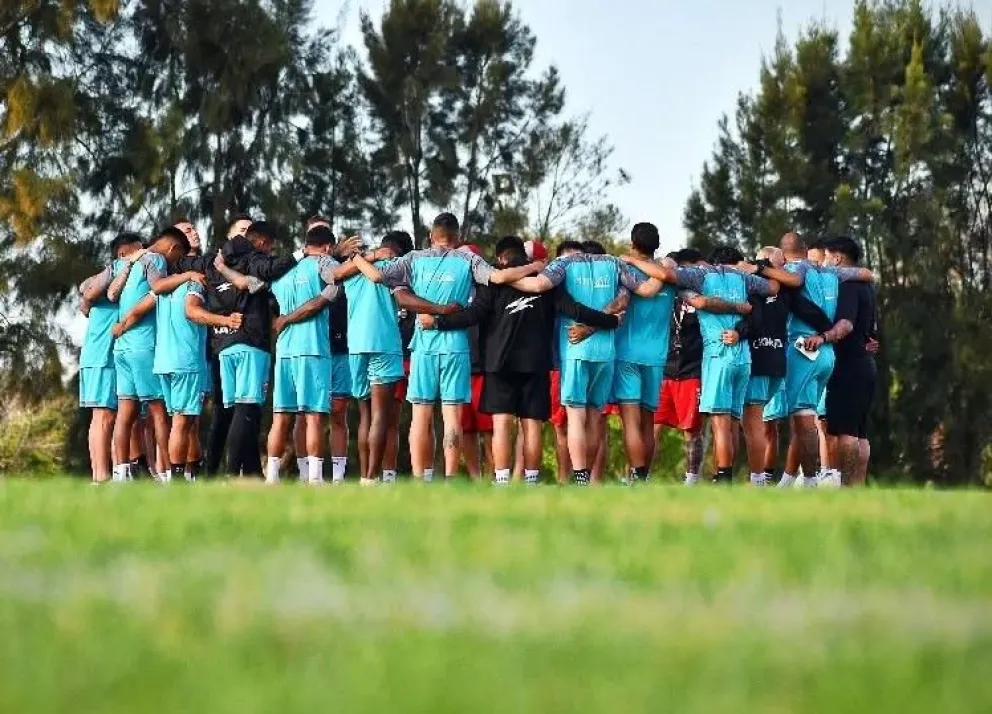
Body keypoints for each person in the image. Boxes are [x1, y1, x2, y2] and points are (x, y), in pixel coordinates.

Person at [349, 213, 541, 481]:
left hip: (423, 345)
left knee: (421, 414)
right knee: (452, 417)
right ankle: (450, 478)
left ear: (431, 235)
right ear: (458, 237)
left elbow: (375, 276)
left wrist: (355, 258)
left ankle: (421, 478)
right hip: (456, 346)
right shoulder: (468, 259)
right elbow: (498, 278)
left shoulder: (414, 258)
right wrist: (532, 268)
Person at [421, 235, 620, 485]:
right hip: (536, 364)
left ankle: (502, 480)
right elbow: (575, 309)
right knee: (532, 425)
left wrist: (438, 322)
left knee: (502, 423)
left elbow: (472, 315)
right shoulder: (545, 282)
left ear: (502, 257)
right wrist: (609, 321)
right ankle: (531, 479)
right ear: (524, 257)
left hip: (499, 362)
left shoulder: (492, 281)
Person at [274, 230, 455, 484]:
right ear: (401, 251)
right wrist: (441, 309)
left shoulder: (353, 270)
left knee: (365, 415)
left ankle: (363, 478)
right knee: (382, 415)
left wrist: (358, 257)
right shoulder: (394, 266)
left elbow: (333, 276)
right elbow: (403, 297)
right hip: (384, 344)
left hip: (355, 347)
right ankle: (373, 477)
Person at [511, 238, 668, 486]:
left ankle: (581, 476)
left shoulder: (566, 263)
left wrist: (501, 278)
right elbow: (645, 291)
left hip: (574, 349)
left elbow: (539, 284)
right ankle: (586, 479)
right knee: (595, 416)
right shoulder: (615, 265)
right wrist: (665, 271)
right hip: (605, 352)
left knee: (575, 416)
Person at [628, 246, 775, 484]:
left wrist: (629, 260)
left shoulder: (699, 276)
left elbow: (668, 277)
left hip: (718, 355)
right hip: (743, 357)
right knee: (734, 422)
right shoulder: (743, 278)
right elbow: (772, 288)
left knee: (720, 423)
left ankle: (724, 476)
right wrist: (758, 269)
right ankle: (730, 475)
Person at [768, 232, 874, 487]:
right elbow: (865, 275)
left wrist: (763, 268)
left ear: (783, 254)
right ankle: (814, 479)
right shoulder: (829, 275)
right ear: (805, 250)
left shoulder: (790, 272)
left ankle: (812, 480)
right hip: (829, 355)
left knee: (805, 421)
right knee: (816, 419)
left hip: (805, 347)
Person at [207, 220, 301, 477]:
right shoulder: (254, 259)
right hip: (250, 342)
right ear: (261, 243)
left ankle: (250, 474)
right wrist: (301, 253)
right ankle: (230, 473)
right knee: (246, 409)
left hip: (224, 345)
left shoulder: (215, 265)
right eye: (269, 247)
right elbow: (261, 276)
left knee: (239, 410)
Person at [107, 227, 200, 481]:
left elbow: (113, 294)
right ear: (173, 249)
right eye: (177, 258)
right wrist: (188, 275)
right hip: (143, 345)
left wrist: (123, 324)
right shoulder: (156, 259)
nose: (174, 265)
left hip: (123, 345)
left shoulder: (132, 262)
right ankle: (167, 472)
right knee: (159, 410)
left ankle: (120, 472)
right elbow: (159, 287)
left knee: (126, 411)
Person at [736, 246, 833, 486]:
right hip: (781, 364)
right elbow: (812, 312)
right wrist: (826, 330)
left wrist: (739, 332)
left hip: (762, 360)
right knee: (790, 419)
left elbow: (751, 318)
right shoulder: (790, 292)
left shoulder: (750, 286)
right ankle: (789, 479)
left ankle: (758, 480)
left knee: (754, 422)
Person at [265, 226, 341, 484]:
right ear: (328, 247)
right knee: (313, 416)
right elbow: (323, 299)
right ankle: (316, 479)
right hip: (312, 349)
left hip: (285, 351)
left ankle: (272, 477)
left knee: (281, 417)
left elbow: (260, 288)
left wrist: (283, 318)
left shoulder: (283, 270)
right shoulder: (324, 261)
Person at [77, 233, 145, 482]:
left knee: (119, 415)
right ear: (123, 254)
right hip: (100, 355)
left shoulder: (133, 277)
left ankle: (118, 473)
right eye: (139, 251)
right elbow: (87, 290)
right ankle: (100, 477)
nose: (143, 255)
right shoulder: (114, 272)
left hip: (114, 354)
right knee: (103, 415)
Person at [813, 236, 877, 487]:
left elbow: (846, 324)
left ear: (837, 257)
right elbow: (871, 328)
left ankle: (847, 489)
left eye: (827, 256)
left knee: (845, 434)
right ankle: (857, 489)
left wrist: (824, 336)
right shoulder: (867, 287)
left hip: (848, 365)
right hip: (865, 365)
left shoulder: (849, 285)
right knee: (860, 434)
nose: (824, 262)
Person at [456, 244, 494, 481]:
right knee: (465, 429)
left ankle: (496, 476)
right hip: (458, 368)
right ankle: (476, 479)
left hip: (485, 370)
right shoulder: (451, 287)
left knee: (490, 429)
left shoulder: (488, 289)